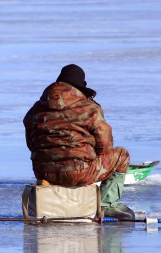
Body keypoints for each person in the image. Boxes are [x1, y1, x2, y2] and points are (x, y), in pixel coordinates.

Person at [23, 64, 134, 219]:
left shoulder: (35, 110)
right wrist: (96, 159)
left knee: (47, 163)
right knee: (122, 155)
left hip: (44, 172)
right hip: (79, 172)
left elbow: (31, 143)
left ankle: (47, 198)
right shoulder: (89, 108)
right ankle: (106, 205)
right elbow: (105, 143)